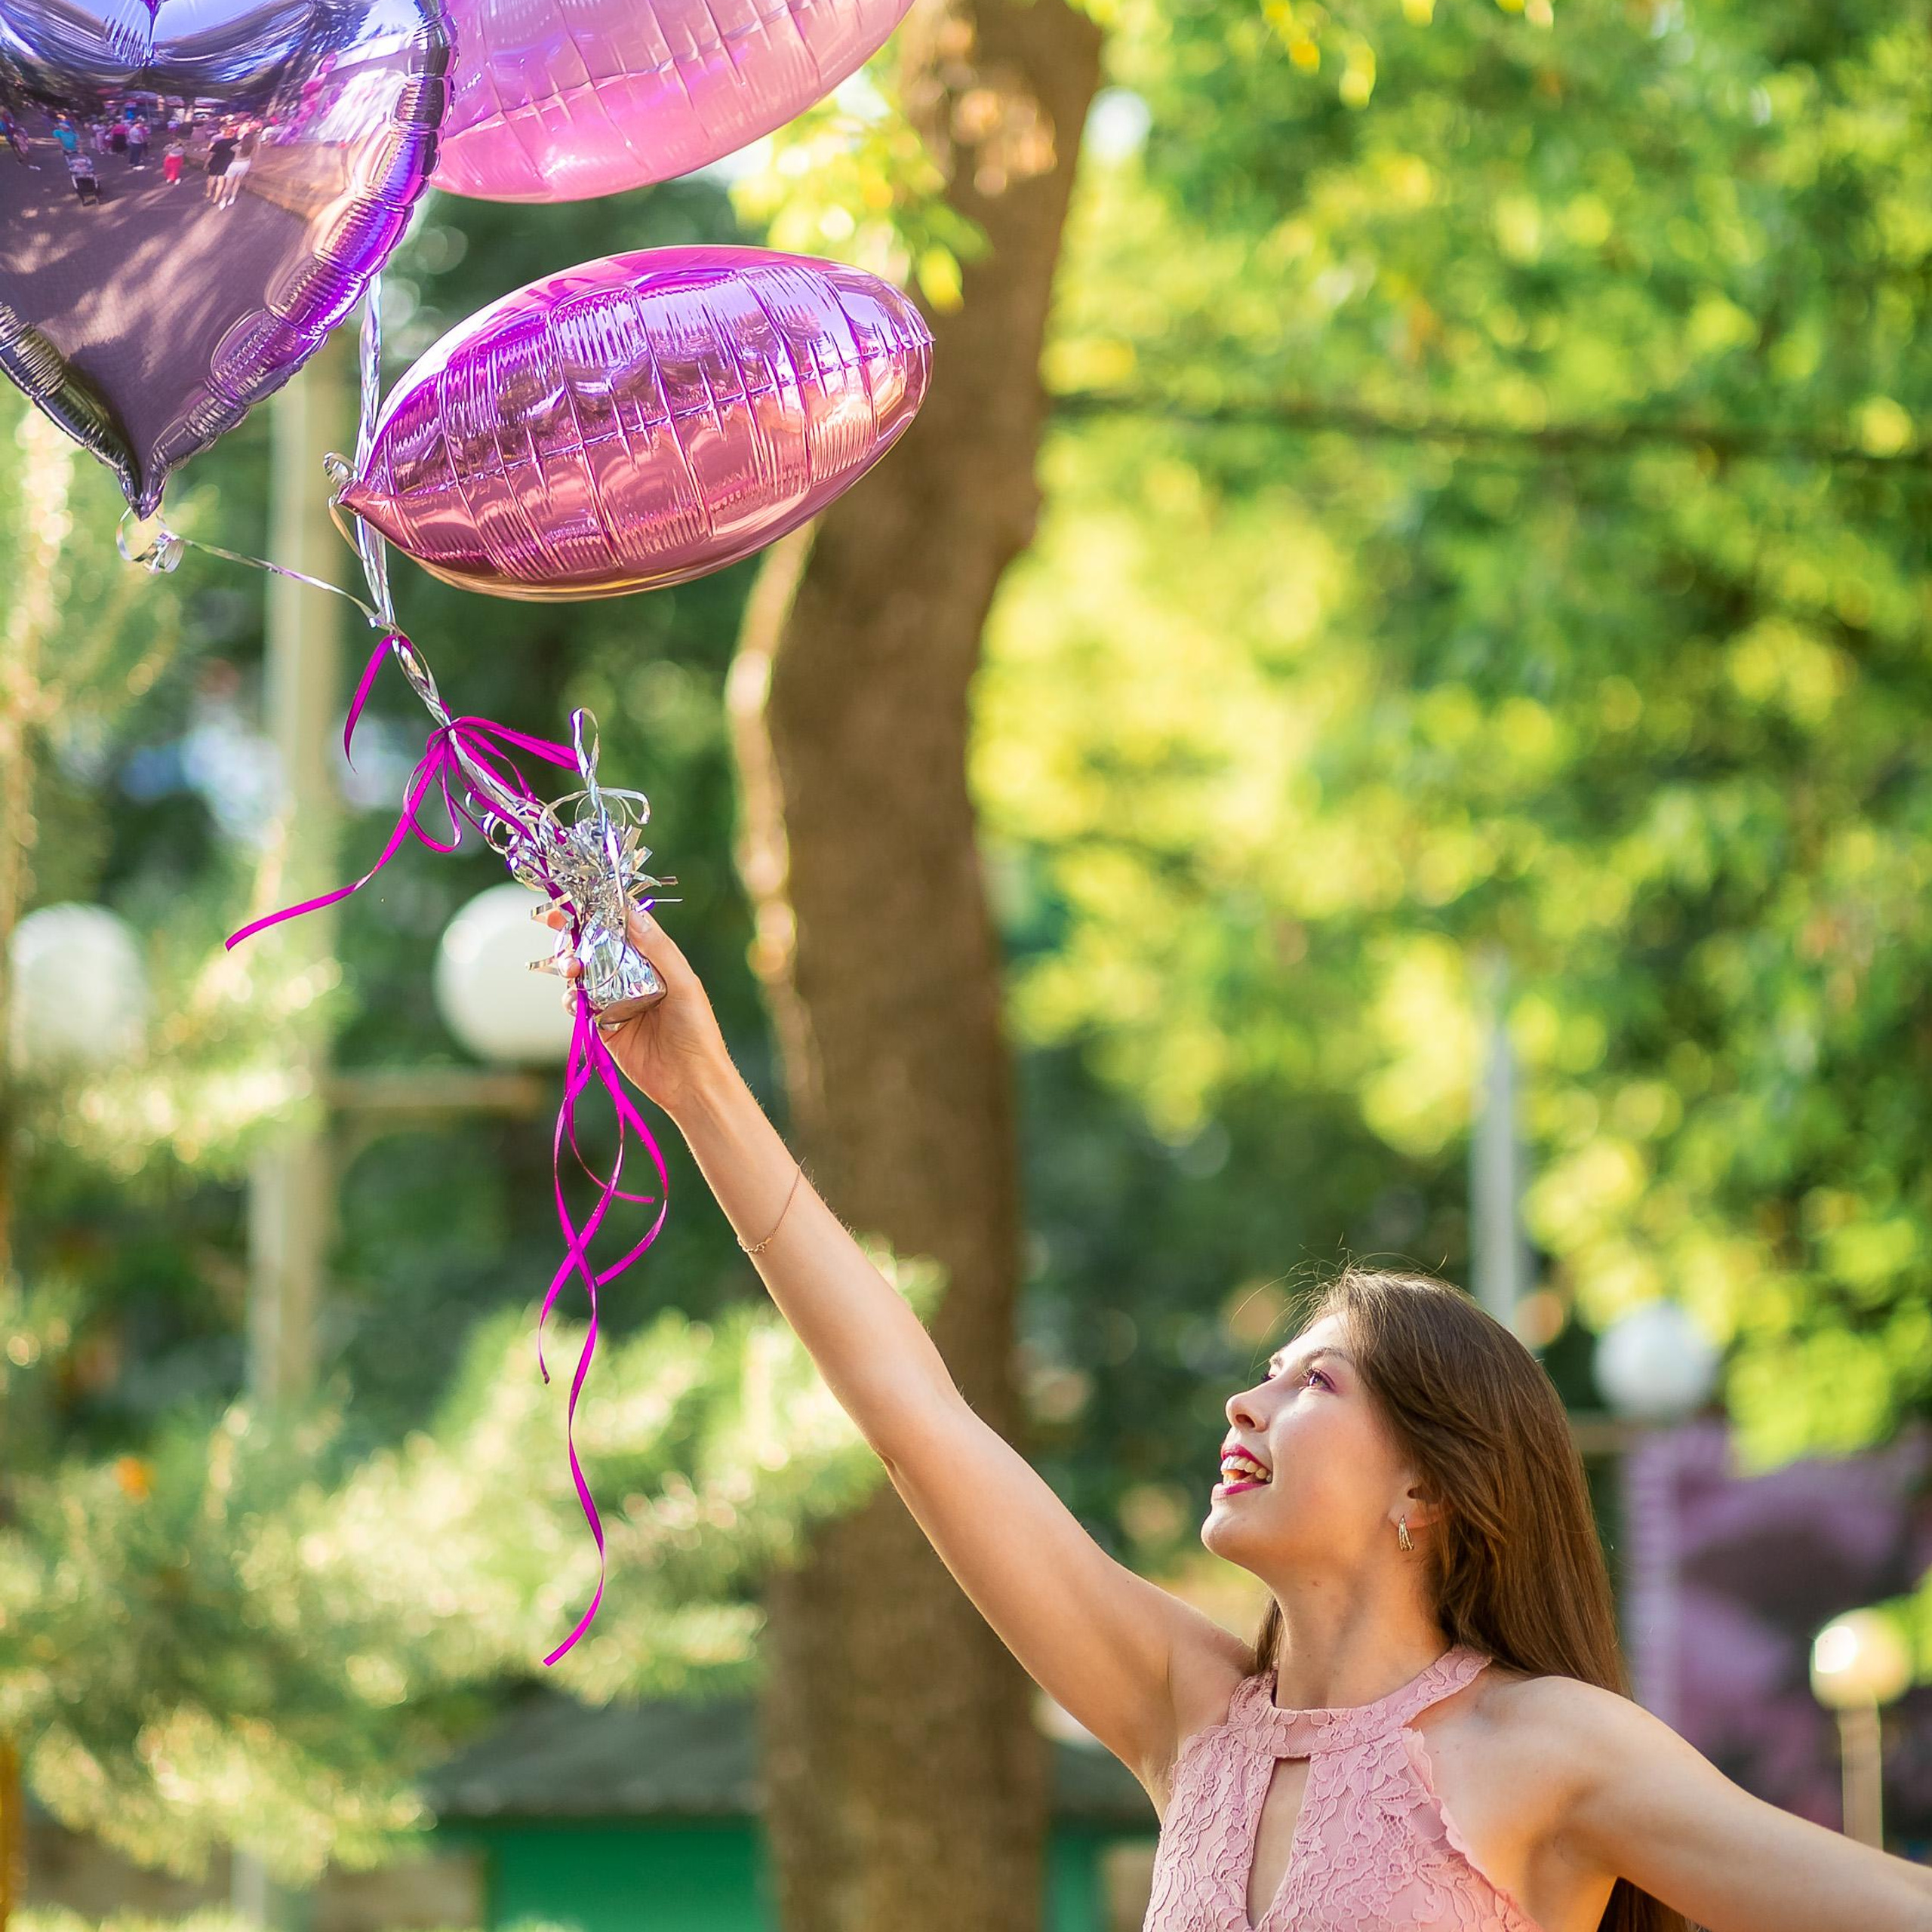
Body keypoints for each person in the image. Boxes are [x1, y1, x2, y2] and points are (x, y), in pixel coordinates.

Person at [547, 897, 1932, 1932]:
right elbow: (917, 1416)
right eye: (1270, 1370)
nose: (1247, 1399)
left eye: (1312, 1381)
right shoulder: (1184, 1714)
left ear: (1429, 1493)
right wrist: (701, 1087)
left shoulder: (1545, 1749)